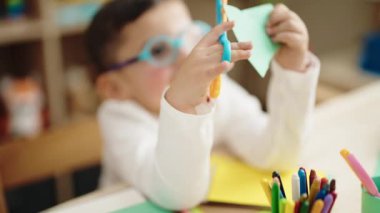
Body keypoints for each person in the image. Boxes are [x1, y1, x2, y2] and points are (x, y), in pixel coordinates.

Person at [85, 0, 320, 210]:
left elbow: (277, 154)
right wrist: (184, 105)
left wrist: (293, 69)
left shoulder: (221, 91)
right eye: (159, 50)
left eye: (190, 35)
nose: (188, 54)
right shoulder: (120, 118)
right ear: (114, 88)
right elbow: (178, 196)